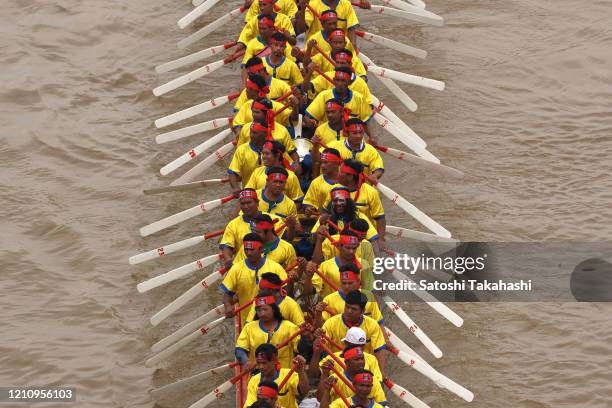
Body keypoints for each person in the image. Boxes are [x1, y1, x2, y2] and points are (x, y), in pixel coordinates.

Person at [220, 232, 288, 321]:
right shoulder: (236, 269)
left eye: (252, 250)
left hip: (272, 320)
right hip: (248, 322)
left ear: (261, 249)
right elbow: (227, 295)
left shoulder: (275, 268)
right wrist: (228, 306)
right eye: (246, 249)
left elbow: (286, 293)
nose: (248, 253)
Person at [320, 291, 387, 372]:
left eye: (354, 309)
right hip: (338, 366)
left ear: (362, 311)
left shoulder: (373, 325)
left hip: (365, 368)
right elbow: (321, 346)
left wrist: (382, 372)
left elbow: (379, 349)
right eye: (347, 307)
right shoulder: (330, 323)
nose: (349, 311)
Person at [235, 293, 302, 368]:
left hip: (284, 375)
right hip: (258, 374)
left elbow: (301, 348)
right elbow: (240, 349)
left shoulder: (290, 327)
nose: (262, 313)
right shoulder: (249, 328)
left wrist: (305, 336)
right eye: (259, 310)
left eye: (265, 309)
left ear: (273, 309)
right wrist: (245, 361)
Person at [323, 160, 385, 239]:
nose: (337, 174)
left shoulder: (371, 192)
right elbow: (325, 211)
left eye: (341, 172)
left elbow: (380, 218)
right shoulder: (335, 190)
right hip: (339, 234)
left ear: (350, 177)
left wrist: (381, 239)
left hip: (364, 235)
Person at [304, 68, 373, 139]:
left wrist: (371, 137)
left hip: (353, 140)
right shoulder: (323, 96)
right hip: (327, 138)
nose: (339, 84)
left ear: (350, 82)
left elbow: (365, 121)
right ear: (333, 80)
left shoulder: (359, 98)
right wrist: (309, 122)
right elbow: (308, 117)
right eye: (337, 80)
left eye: (343, 81)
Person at [244, 344, 309, 408]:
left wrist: (301, 371)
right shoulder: (253, 380)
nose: (261, 367)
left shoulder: (289, 374)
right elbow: (250, 405)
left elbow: (304, 392)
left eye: (264, 363)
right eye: (258, 363)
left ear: (275, 360)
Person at [315, 263, 382, 325]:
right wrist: (318, 314)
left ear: (358, 282)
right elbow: (323, 328)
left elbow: (379, 322)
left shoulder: (368, 296)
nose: (346, 287)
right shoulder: (328, 300)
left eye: (350, 283)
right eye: (344, 283)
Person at [309, 327, 383, 382]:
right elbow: (313, 375)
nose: (357, 350)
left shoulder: (372, 359)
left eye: (361, 346)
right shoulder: (333, 358)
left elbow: (379, 384)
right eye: (354, 346)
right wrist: (316, 354)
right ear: (346, 343)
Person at [219, 189, 271, 266]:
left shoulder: (271, 219)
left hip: (269, 261)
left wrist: (292, 227)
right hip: (243, 265)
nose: (245, 206)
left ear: (257, 203)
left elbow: (284, 240)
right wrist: (228, 259)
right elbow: (227, 245)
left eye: (249, 203)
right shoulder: (232, 225)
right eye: (242, 204)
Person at [306, 230, 363, 298]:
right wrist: (309, 276)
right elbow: (309, 292)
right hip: (332, 306)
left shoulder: (364, 265)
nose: (351, 251)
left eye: (354, 248)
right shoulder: (326, 266)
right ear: (339, 246)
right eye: (348, 248)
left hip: (356, 307)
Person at [234, 214, 298, 269]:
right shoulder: (247, 247)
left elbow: (293, 272)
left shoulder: (287, 248)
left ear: (269, 231)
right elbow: (235, 268)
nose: (254, 234)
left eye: (258, 232)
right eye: (254, 231)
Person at [318, 370, 385, 408]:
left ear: (371, 387)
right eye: (361, 385)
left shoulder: (378, 407)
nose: (364, 389)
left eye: (368, 386)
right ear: (354, 385)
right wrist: (327, 390)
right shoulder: (341, 403)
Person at [303, 148, 342, 212]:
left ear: (336, 163)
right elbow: (309, 202)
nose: (322, 166)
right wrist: (309, 208)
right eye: (321, 163)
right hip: (323, 220)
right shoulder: (316, 182)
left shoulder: (347, 180)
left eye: (326, 162)